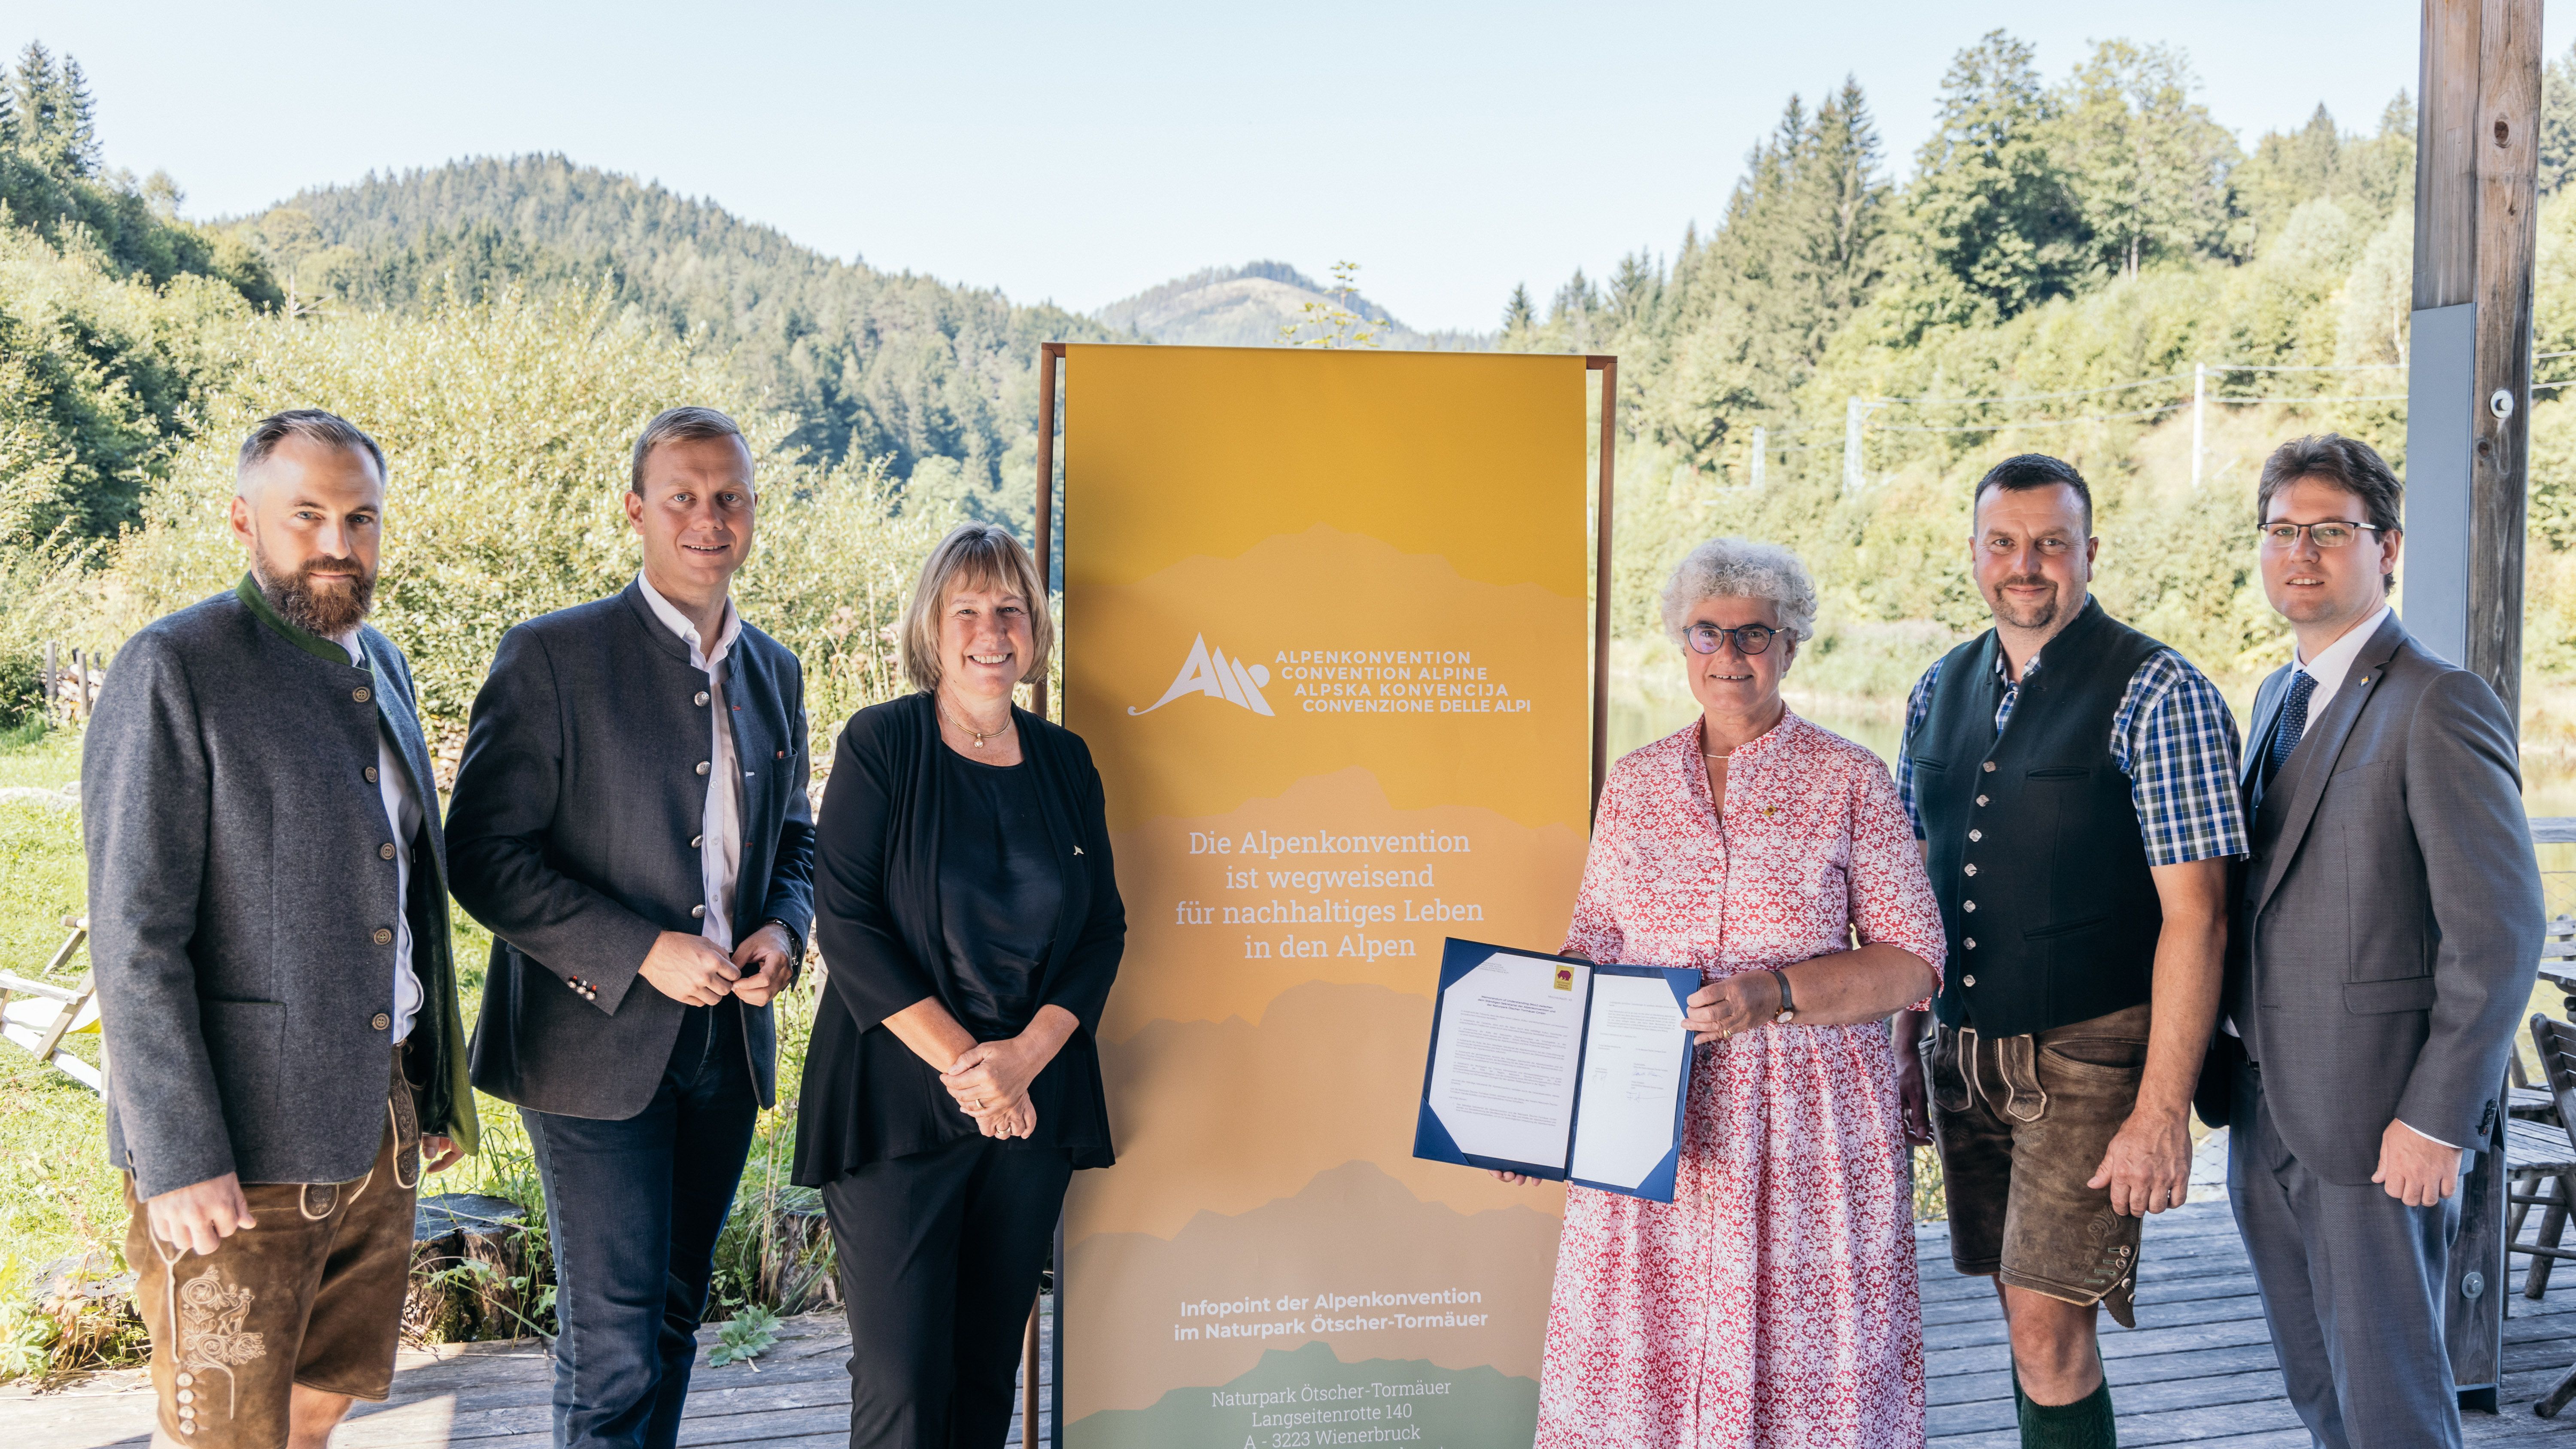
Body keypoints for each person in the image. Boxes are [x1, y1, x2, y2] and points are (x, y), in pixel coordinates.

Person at [1498, 538, 1945, 1446]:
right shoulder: (1635, 784)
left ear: (1791, 644)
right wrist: (1538, 1111)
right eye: (1708, 631)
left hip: (1807, 1138)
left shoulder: (1849, 777)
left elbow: (1914, 961)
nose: (1729, 652)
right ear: (1681, 640)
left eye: (1754, 633)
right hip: (1650, 1130)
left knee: (1805, 1383)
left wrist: (1773, 993)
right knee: (1643, 1369)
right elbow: (1589, 950)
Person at [85, 409, 475, 1449]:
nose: (338, 543)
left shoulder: (381, 662)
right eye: (306, 515)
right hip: (236, 1151)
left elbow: (406, 894)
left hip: (377, 1123)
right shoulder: (176, 665)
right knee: (226, 1432)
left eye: (361, 516)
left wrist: (429, 1087)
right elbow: (134, 935)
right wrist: (175, 1155)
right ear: (243, 519)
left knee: (321, 1404)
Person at [446, 406, 816, 1449]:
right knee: (612, 1347)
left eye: (730, 497)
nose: (710, 519)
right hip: (587, 1046)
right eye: (684, 497)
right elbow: (479, 855)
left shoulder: (776, 670)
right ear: (636, 512)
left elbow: (796, 836)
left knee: (672, 1319)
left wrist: (785, 931)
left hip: (727, 1046)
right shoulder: (553, 656)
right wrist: (641, 947)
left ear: (753, 512)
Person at [2195, 434, 2542, 1449]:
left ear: (2386, 546)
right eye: (2282, 531)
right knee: (2323, 1393)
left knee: (2393, 1404)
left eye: (2331, 531)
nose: (2302, 552)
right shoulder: (2273, 699)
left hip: (2381, 1126)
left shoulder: (2436, 701)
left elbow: (2501, 931)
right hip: (2264, 1114)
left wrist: (2437, 1119)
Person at [1890, 453, 2242, 1447]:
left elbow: (2200, 918)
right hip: (1964, 1050)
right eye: (2005, 542)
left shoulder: (2158, 689)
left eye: (2052, 541)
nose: (2027, 564)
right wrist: (1904, 1042)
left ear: (2091, 551)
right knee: (2020, 1313)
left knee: (2050, 1327)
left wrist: (2162, 1110)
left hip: (2093, 1054)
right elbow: (1916, 878)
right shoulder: (1937, 687)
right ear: (1974, 553)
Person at [792, 521, 1124, 1449]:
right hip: (897, 1103)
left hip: (1031, 1108)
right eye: (967, 608)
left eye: (1010, 608)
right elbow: (846, 920)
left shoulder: (1066, 761)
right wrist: (975, 1071)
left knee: (984, 1376)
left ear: (1034, 630)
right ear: (933, 627)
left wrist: (1023, 1060)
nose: (992, 628)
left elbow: (1102, 931)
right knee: (902, 1386)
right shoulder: (883, 743)